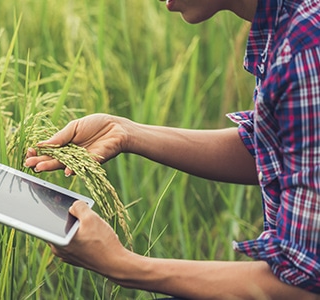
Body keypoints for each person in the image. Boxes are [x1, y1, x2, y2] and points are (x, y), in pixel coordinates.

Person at [25, 0, 320, 298]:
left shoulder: (304, 51)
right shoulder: (287, 25)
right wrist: (127, 132)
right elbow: (278, 151)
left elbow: (301, 284)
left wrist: (122, 265)